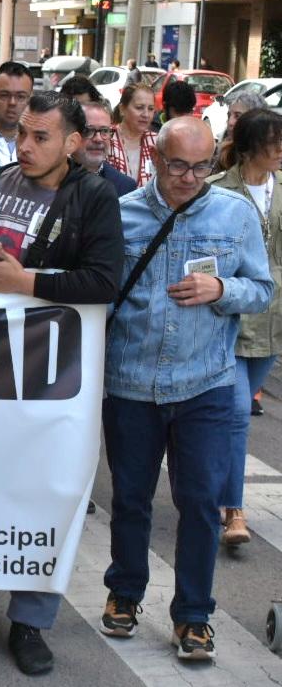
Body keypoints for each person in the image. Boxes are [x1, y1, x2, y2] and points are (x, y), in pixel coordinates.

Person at [0, 92, 123, 674]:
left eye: (41, 138)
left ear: (73, 144)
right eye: (21, 135)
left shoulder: (96, 197)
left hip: (55, 373)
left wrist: (23, 283)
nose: (24, 146)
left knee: (44, 489)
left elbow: (104, 283)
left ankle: (29, 621)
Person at [101, 117, 272, 662]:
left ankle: (193, 616)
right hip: (130, 382)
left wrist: (222, 287)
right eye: (177, 165)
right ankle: (124, 593)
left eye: (201, 167)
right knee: (130, 499)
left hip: (206, 384)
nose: (189, 177)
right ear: (155, 159)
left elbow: (262, 289)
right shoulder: (121, 214)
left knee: (199, 504)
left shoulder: (235, 213)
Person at [206, 108, 282, 547]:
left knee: (227, 420)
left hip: (274, 322)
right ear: (254, 145)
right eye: (274, 141)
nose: (280, 150)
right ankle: (234, 510)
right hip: (229, 317)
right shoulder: (218, 191)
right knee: (237, 413)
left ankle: (210, 484)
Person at [78, 101, 138, 197]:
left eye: (105, 131)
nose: (98, 139)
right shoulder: (51, 177)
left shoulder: (125, 187)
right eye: (89, 130)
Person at [107, 82, 158, 185]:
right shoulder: (106, 138)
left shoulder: (158, 142)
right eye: (139, 107)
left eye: (151, 109)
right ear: (122, 109)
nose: (146, 114)